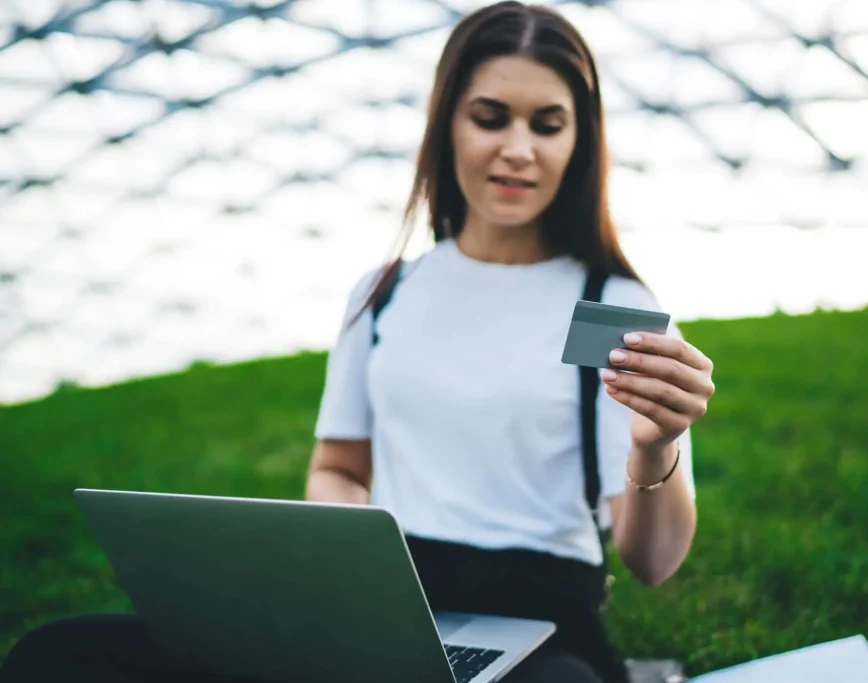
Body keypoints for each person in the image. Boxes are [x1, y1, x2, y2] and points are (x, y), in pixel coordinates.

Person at [0, 2, 715, 682]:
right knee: (61, 653)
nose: (518, 149)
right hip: (389, 607)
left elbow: (650, 561)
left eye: (548, 124)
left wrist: (654, 446)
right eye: (489, 118)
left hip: (543, 623)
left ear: (579, 140)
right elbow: (340, 466)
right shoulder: (384, 294)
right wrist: (349, 578)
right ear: (448, 126)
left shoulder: (610, 306)